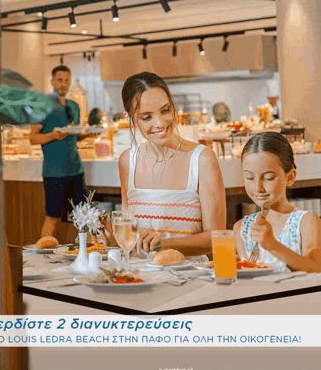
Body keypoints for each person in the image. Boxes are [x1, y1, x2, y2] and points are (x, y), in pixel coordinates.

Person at [118, 71, 226, 255]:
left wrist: (164, 244)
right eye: (146, 117)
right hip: (138, 275)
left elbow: (216, 238)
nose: (160, 123)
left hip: (190, 278)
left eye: (165, 110)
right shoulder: (128, 161)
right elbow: (127, 232)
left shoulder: (202, 159)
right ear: (131, 119)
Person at [234, 131, 321, 272]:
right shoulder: (241, 228)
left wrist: (272, 245)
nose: (258, 187)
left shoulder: (306, 222)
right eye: (249, 177)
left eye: (268, 178)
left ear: (290, 177)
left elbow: (317, 270)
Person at [30, 65, 88, 238]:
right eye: (60, 80)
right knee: (52, 218)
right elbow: (33, 137)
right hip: (54, 173)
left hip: (76, 170)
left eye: (67, 80)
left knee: (85, 218)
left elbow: (73, 136)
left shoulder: (74, 106)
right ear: (52, 81)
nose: (64, 84)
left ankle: (89, 256)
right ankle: (42, 259)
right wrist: (53, 136)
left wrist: (86, 135)